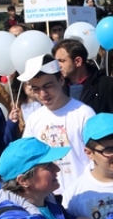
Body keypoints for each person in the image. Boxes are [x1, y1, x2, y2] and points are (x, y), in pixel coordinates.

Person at [15, 55, 96, 192]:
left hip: (83, 192)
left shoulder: (84, 113)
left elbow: (95, 157)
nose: (43, 94)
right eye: (36, 88)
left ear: (61, 80)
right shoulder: (34, 119)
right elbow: (29, 159)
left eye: (48, 86)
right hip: (50, 196)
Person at [54, 38, 109, 112]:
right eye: (56, 61)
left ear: (78, 61)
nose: (58, 65)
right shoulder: (57, 87)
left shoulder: (105, 85)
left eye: (62, 61)